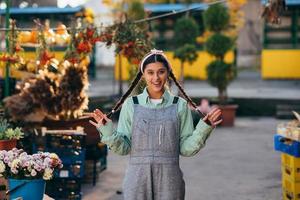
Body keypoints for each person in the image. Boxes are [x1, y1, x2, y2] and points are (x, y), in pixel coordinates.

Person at [89, 49, 222, 200]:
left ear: (168, 73)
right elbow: (124, 148)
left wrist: (203, 129)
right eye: (150, 72)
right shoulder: (131, 104)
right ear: (143, 75)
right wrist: (107, 131)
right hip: (137, 180)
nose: (156, 78)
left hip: (170, 181)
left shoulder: (180, 105)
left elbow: (185, 149)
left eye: (161, 72)